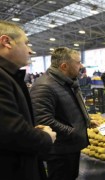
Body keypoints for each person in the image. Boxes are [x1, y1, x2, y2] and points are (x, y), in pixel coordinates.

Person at [30, 47, 99, 180]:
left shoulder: (67, 82)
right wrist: (72, 132)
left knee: (71, 175)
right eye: (78, 62)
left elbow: (69, 107)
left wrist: (87, 120)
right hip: (60, 150)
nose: (81, 66)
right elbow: (42, 119)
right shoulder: (44, 86)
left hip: (70, 146)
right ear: (64, 66)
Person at [0, 20, 56, 180]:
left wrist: (31, 129)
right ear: (6, 42)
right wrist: (46, 137)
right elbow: (11, 131)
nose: (30, 51)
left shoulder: (8, 76)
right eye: (26, 43)